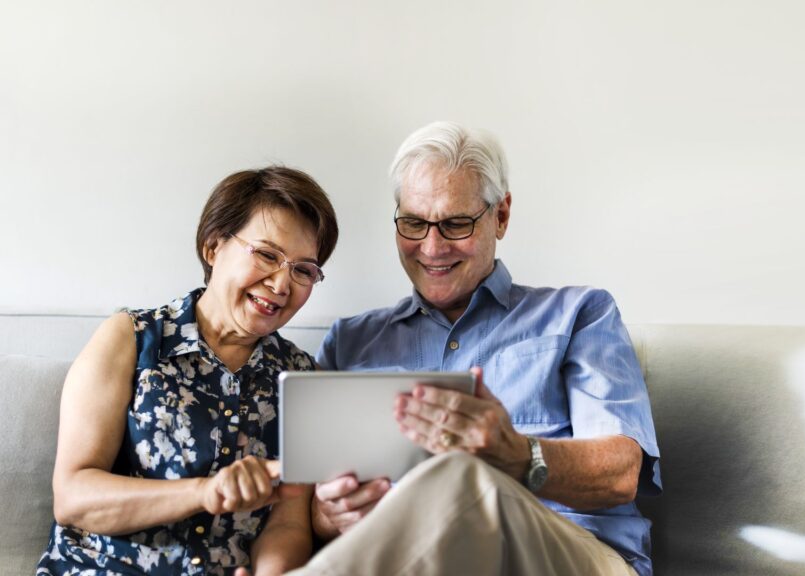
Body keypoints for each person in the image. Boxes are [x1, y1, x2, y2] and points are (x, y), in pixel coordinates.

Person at [302, 122, 661, 575]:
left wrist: (518, 456)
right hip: (406, 560)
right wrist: (328, 516)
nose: (432, 247)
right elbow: (307, 509)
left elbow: (621, 474)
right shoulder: (349, 343)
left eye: (455, 224)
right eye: (413, 223)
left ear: (501, 216)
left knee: (462, 475)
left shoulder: (579, 315)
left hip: (574, 556)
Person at [37, 167, 339, 576]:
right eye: (267, 255)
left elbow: (287, 524)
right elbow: (73, 498)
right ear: (213, 247)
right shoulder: (130, 338)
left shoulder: (302, 377)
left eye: (303, 270)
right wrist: (204, 492)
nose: (282, 284)